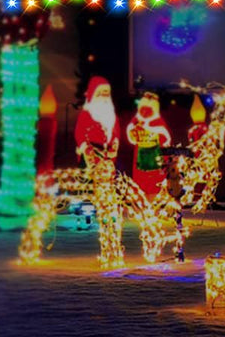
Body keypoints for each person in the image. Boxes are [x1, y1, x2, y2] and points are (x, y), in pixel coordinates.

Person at [74, 76, 124, 269]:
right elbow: (79, 133)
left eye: (106, 93)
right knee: (88, 188)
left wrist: (115, 144)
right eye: (101, 92)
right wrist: (86, 148)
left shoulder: (111, 115)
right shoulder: (86, 114)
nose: (104, 96)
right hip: (91, 154)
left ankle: (107, 212)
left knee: (107, 187)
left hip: (107, 156)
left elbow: (117, 132)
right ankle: (85, 215)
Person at [125, 90, 172, 199]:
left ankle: (154, 198)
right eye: (143, 109)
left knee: (154, 182)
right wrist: (132, 136)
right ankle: (142, 198)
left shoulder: (158, 122)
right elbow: (130, 131)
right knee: (141, 180)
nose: (145, 113)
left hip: (154, 156)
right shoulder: (136, 121)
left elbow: (164, 135)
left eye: (148, 110)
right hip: (141, 157)